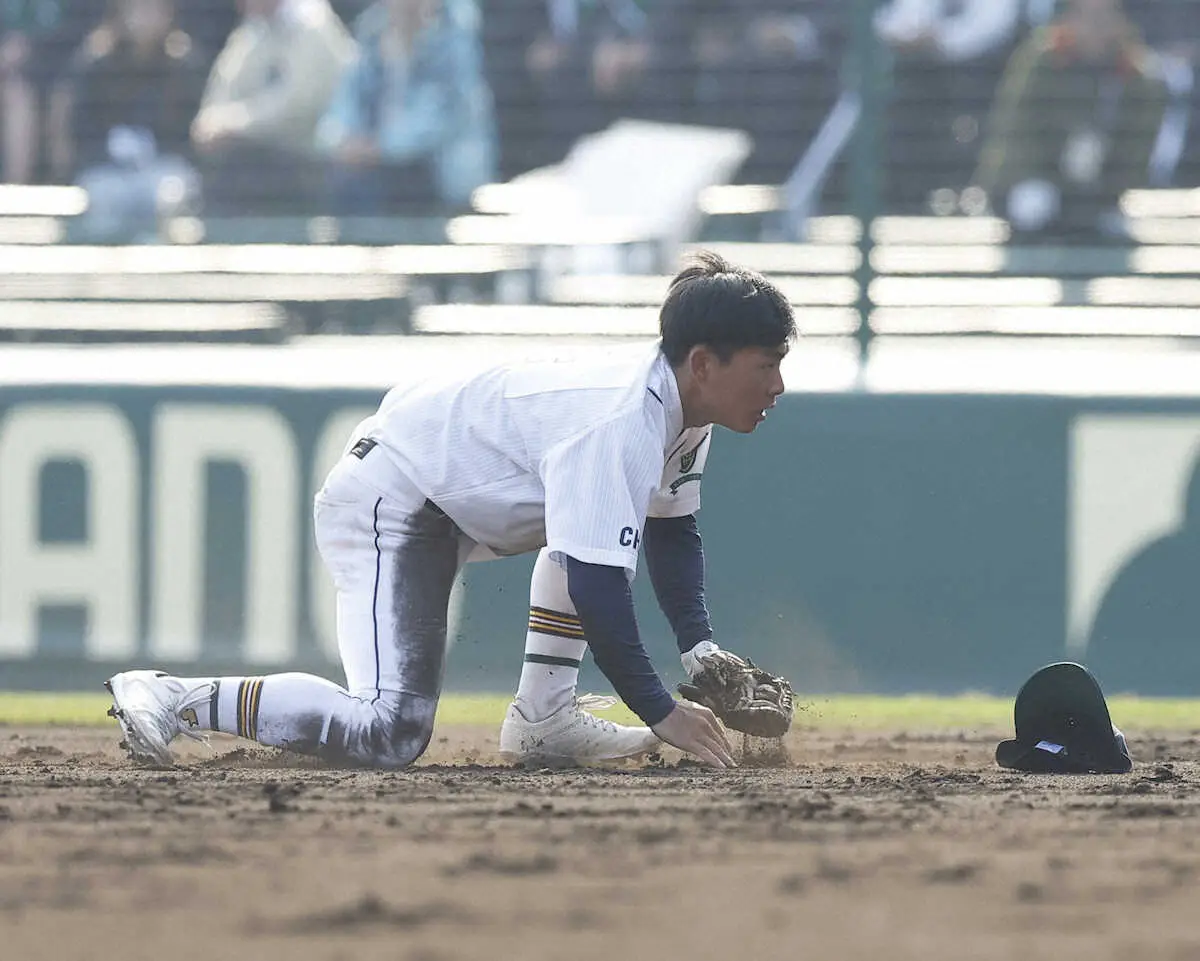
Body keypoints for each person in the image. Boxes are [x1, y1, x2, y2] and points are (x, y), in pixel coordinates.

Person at [104, 250, 795, 770]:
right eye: (765, 364)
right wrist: (662, 710)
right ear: (703, 363)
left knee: (589, 534)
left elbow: (669, 528)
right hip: (396, 495)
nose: (778, 384)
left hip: (445, 495)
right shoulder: (621, 422)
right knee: (390, 729)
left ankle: (545, 718)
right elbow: (596, 587)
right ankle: (174, 696)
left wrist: (699, 646)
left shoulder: (679, 409)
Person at [970, 0, 1168, 239]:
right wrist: (1059, 177)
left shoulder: (1139, 78)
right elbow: (1014, 136)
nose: (1095, 27)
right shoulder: (1041, 61)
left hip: (1099, 190)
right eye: (1085, 16)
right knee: (1032, 207)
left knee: (1112, 229)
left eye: (1105, 17)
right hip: (1032, 181)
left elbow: (1137, 153)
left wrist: (1102, 184)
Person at [315, 0, 497, 215]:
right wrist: (343, 140)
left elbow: (438, 118)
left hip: (437, 171)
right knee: (346, 180)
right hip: (379, 166)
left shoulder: (454, 38)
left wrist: (378, 147)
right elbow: (344, 105)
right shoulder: (372, 31)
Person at [51, 0, 207, 242]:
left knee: (171, 195)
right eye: (137, 9)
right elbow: (78, 130)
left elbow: (192, 134)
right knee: (105, 198)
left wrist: (155, 149)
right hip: (106, 170)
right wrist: (108, 150)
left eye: (154, 10)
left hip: (163, 169)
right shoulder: (95, 63)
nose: (145, 18)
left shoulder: (184, 63)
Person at [190, 0, 354, 214]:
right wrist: (212, 122)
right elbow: (221, 92)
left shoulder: (314, 26)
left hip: (306, 165)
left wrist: (233, 125)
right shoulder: (252, 31)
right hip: (253, 160)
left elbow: (297, 105)